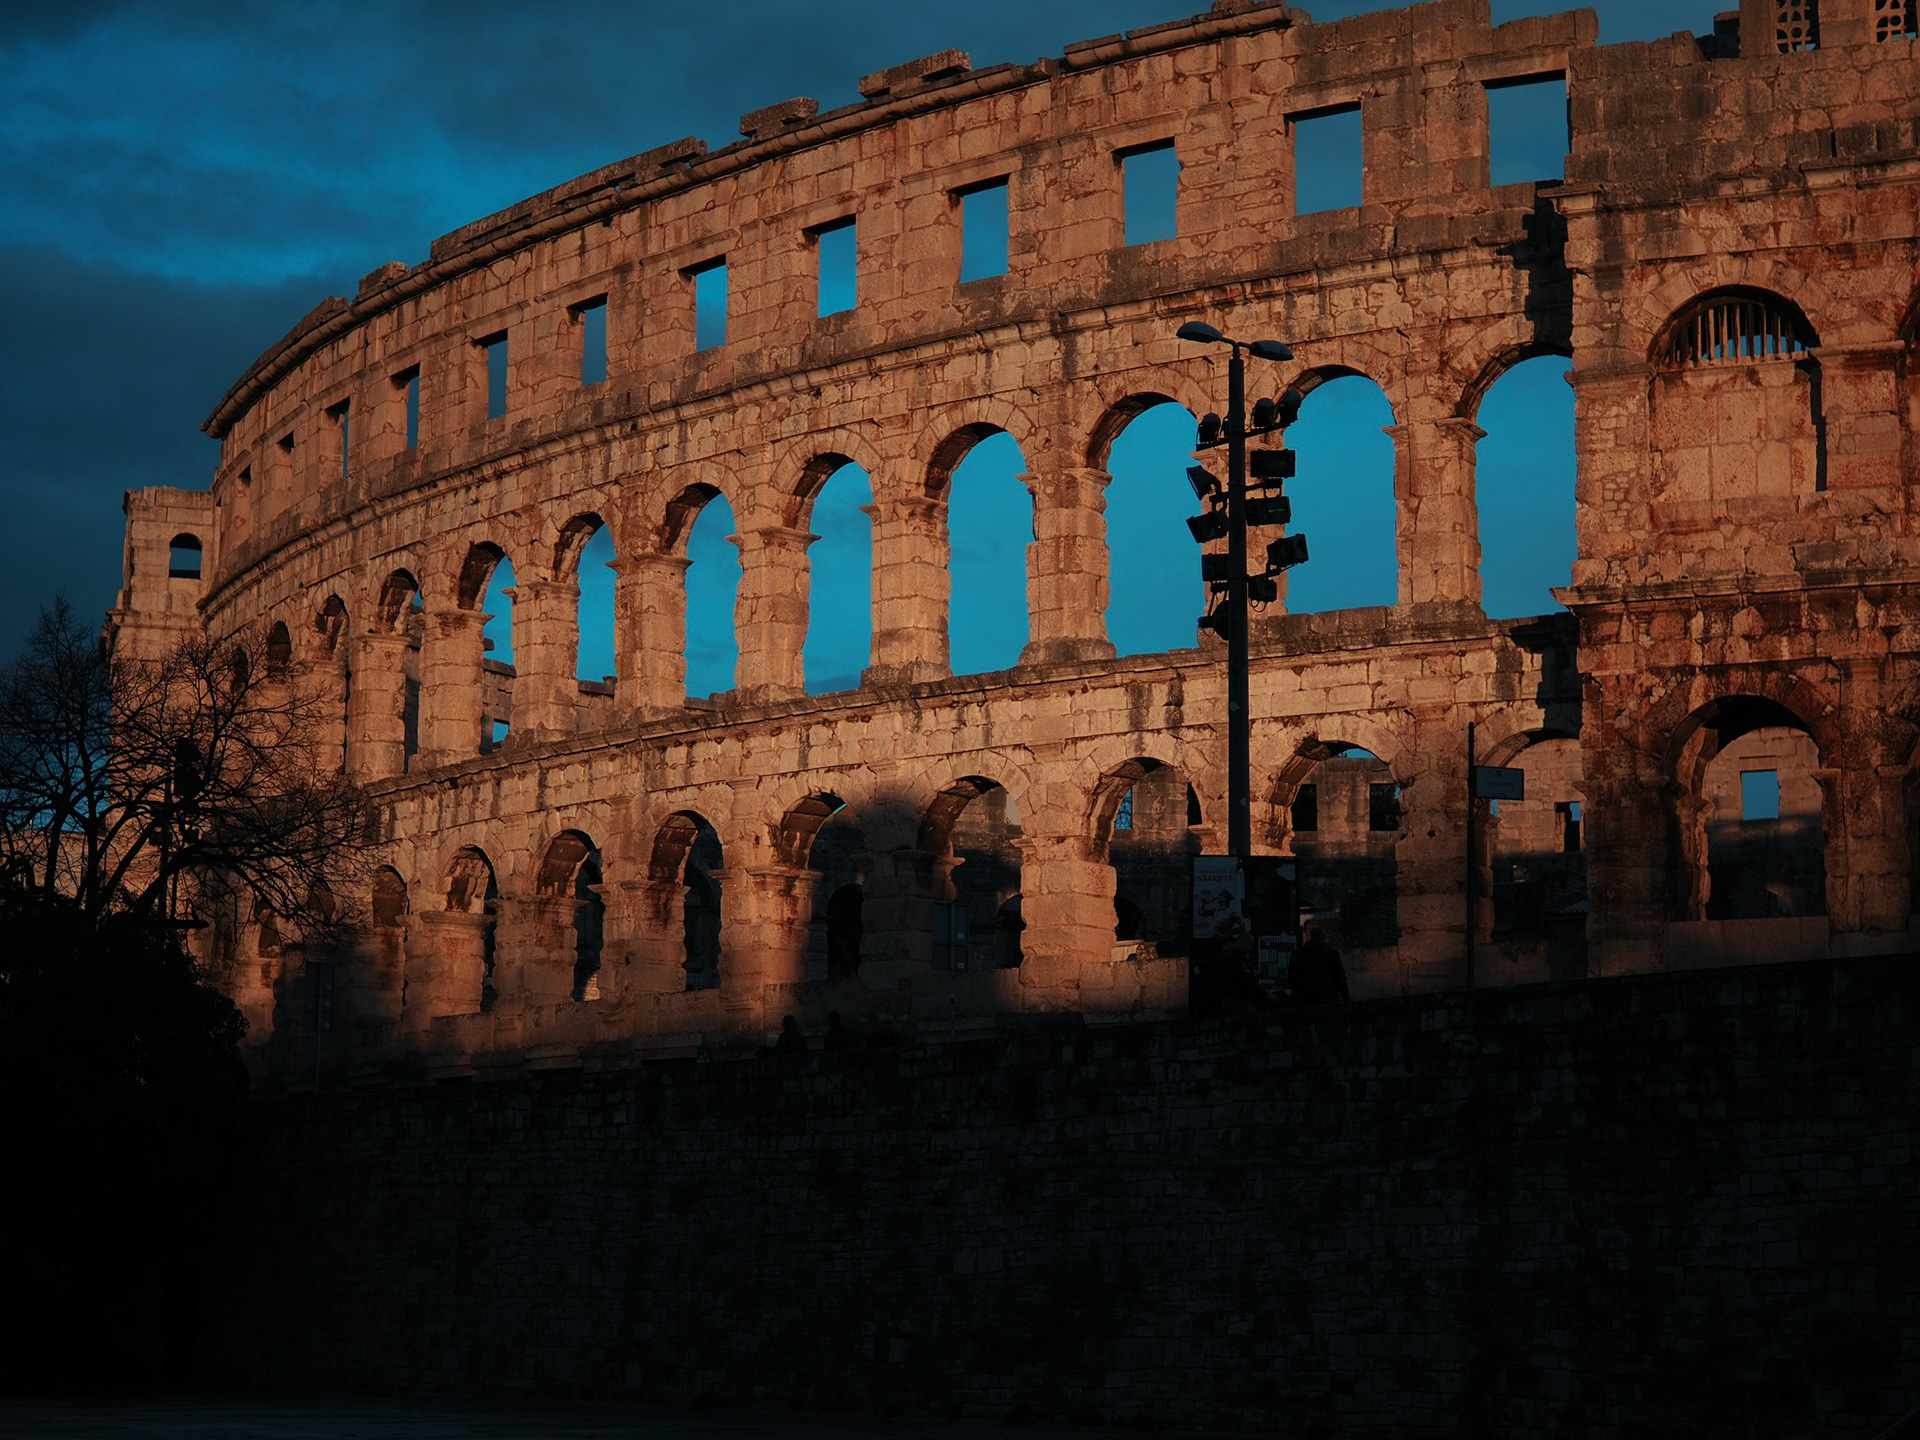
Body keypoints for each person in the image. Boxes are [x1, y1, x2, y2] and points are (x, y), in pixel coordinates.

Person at [1289, 927, 1349, 1004]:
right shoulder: (1332, 953)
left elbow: (1292, 978)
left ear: (1310, 936)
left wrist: (1297, 994)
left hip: (1305, 999)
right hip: (1328, 999)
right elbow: (1340, 978)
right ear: (1323, 936)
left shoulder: (1298, 954)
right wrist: (1346, 999)